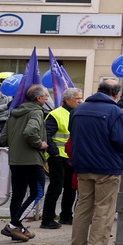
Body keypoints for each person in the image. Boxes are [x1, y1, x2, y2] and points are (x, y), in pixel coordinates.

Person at [68, 77, 123, 245]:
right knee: (103, 210)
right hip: (106, 167)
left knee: (82, 208)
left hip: (82, 166)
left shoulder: (78, 110)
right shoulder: (114, 111)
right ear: (116, 94)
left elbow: (73, 134)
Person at [1, 84, 49, 243]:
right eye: (45, 96)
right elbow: (29, 132)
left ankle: (18, 229)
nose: (47, 98)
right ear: (38, 98)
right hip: (31, 160)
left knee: (18, 194)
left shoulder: (14, 113)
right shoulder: (36, 111)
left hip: (15, 160)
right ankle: (13, 224)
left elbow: (3, 138)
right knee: (37, 193)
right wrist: (39, 144)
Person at [40, 87, 83, 229]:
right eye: (77, 98)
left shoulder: (78, 113)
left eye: (80, 98)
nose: (80, 101)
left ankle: (66, 216)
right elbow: (48, 135)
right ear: (67, 99)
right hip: (58, 157)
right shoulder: (55, 114)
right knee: (56, 188)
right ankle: (47, 219)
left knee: (71, 188)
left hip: (71, 156)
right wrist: (54, 153)